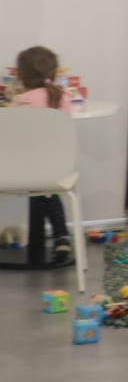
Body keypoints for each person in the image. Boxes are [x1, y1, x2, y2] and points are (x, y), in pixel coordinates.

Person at [7, 45, 74, 263]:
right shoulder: (63, 97)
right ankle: (61, 237)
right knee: (46, 188)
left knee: (41, 186)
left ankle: (50, 240)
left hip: (18, 171)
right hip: (57, 168)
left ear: (21, 75)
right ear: (53, 72)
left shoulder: (22, 101)